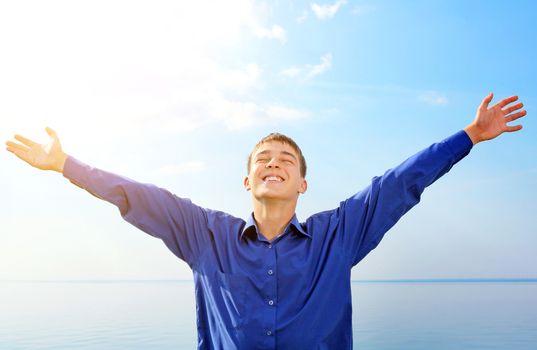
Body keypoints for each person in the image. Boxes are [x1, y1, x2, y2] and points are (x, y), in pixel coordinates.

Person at [5, 93, 527, 349]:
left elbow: (398, 183)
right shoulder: (203, 234)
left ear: (303, 183)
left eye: (286, 159)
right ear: (247, 179)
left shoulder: (338, 236)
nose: (274, 162)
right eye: (263, 158)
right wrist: (66, 166)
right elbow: (136, 196)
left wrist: (470, 136)